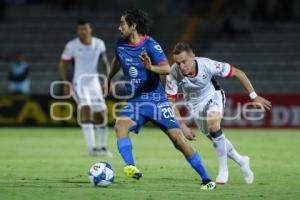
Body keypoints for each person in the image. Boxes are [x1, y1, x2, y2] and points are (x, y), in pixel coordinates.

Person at [104, 9, 216, 190]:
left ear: (133, 26)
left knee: (179, 141)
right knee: (120, 125)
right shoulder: (120, 45)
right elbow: (117, 60)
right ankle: (131, 166)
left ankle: (206, 179)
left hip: (156, 101)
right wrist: (108, 79)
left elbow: (167, 69)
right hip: (135, 102)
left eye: (122, 24)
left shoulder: (150, 45)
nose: (119, 28)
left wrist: (150, 67)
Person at [166, 42, 272, 184]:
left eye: (184, 62)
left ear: (193, 57)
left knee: (213, 125)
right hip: (195, 106)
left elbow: (239, 73)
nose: (181, 66)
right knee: (216, 139)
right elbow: (171, 102)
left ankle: (223, 170)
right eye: (178, 63)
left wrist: (254, 96)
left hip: (213, 96)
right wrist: (182, 126)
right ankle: (242, 161)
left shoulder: (207, 65)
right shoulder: (173, 73)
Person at [59, 20, 112, 157]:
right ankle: (91, 148)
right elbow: (63, 64)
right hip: (79, 83)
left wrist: (108, 80)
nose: (83, 31)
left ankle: (102, 147)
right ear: (78, 31)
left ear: (90, 30)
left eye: (85, 29)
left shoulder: (99, 44)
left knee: (101, 114)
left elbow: (105, 62)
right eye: (81, 29)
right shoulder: (72, 45)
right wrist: (66, 83)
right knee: (86, 109)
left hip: (94, 84)